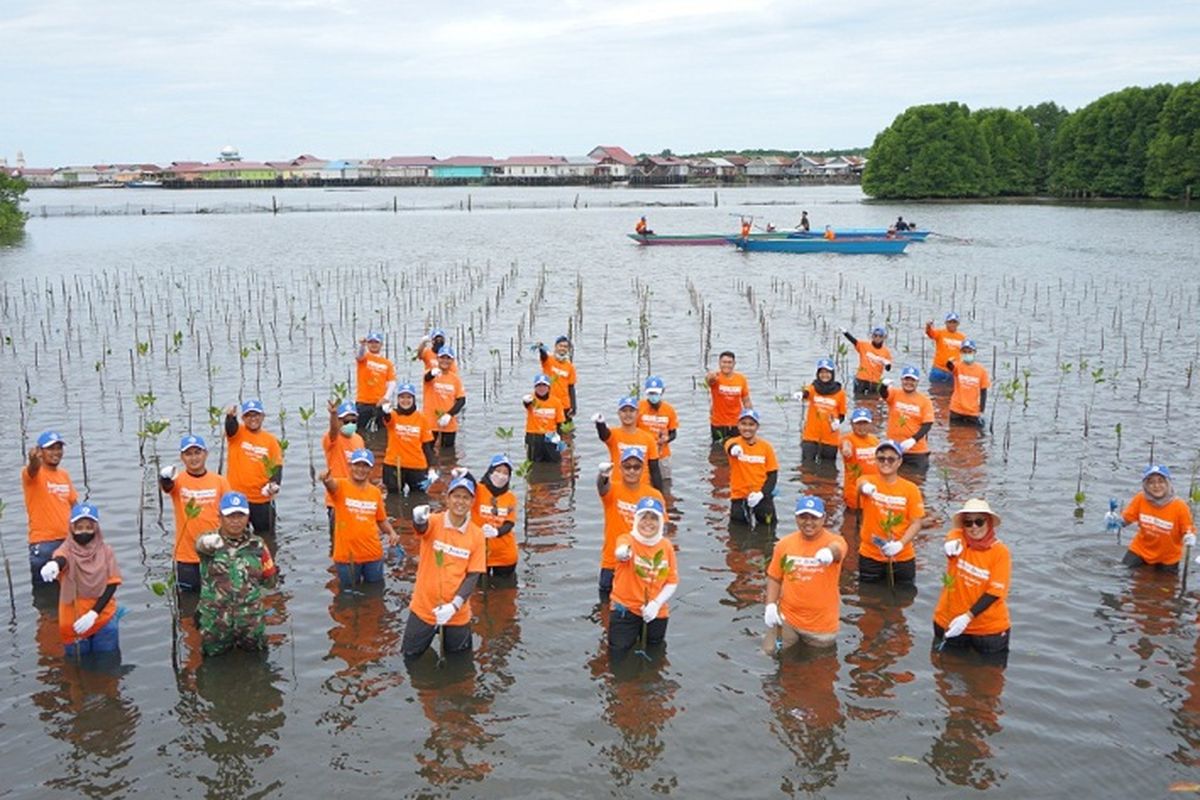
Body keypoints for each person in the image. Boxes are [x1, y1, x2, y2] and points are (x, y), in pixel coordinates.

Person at [402, 476, 486, 661]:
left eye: (466, 497)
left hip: (457, 613)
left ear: (472, 502)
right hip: (424, 607)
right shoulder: (434, 521)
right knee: (410, 657)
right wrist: (417, 519)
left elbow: (473, 575)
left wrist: (454, 605)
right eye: (456, 496)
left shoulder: (477, 535)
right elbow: (422, 528)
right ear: (447, 499)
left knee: (460, 664)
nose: (460, 502)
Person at [194, 491, 278, 656]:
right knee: (212, 667)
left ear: (248, 517)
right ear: (220, 516)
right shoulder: (210, 542)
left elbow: (270, 580)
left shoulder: (258, 545)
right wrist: (207, 543)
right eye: (230, 516)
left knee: (257, 664)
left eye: (240, 515)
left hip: (250, 620)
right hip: (215, 621)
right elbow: (199, 546)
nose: (235, 521)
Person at [762, 496, 847, 654]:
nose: (808, 522)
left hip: (821, 627)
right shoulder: (784, 545)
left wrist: (829, 552)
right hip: (788, 619)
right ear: (796, 518)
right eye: (803, 517)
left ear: (824, 518)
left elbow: (838, 550)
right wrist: (770, 605)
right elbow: (774, 577)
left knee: (815, 669)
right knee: (768, 652)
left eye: (814, 517)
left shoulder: (836, 540)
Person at [39, 503, 121, 656]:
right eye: (79, 527)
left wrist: (93, 614)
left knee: (108, 666)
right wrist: (54, 564)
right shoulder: (66, 550)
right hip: (74, 621)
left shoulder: (106, 552)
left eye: (89, 527)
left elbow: (112, 584)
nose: (84, 532)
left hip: (103, 616)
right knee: (77, 668)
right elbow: (61, 558)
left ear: (96, 528)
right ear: (72, 528)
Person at [934, 498, 1011, 656]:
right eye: (968, 523)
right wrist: (950, 543)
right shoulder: (958, 541)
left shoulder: (1000, 553)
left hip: (988, 630)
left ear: (988, 522)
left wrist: (967, 617)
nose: (974, 527)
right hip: (949, 622)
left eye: (979, 521)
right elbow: (953, 534)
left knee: (988, 676)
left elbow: (995, 592)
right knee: (945, 670)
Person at [320, 449, 400, 590]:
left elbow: (381, 520)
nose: (360, 470)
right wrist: (326, 480)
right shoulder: (341, 486)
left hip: (373, 555)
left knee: (375, 594)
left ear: (370, 469)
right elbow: (331, 486)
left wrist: (392, 532)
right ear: (350, 466)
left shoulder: (375, 492)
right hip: (347, 557)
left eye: (365, 466)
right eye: (357, 465)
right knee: (349, 597)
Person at [159, 434, 231, 592]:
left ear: (205, 454)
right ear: (182, 457)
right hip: (186, 556)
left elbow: (230, 516)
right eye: (188, 454)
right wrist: (164, 476)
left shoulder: (220, 481)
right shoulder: (177, 481)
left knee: (218, 602)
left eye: (197, 452)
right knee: (187, 604)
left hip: (215, 553)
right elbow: (166, 486)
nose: (194, 458)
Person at [610, 497, 678, 659]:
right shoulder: (627, 539)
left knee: (655, 655)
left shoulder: (666, 546)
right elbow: (620, 549)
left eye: (653, 518)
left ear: (661, 521)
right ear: (636, 520)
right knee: (618, 655)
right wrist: (623, 553)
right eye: (644, 517)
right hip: (625, 612)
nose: (648, 522)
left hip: (655, 613)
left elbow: (671, 582)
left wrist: (655, 604)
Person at [597, 448, 665, 600]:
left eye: (637, 467)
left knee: (639, 609)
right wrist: (603, 475)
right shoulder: (612, 490)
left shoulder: (654, 495)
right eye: (627, 467)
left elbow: (661, 531)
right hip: (612, 562)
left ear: (643, 469)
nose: (632, 471)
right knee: (607, 608)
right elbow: (602, 487)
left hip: (641, 564)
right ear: (620, 468)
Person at [856, 440, 925, 584]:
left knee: (902, 599)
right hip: (870, 555)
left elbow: (916, 523)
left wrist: (900, 544)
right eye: (881, 458)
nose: (885, 462)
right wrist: (865, 488)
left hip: (901, 557)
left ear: (899, 462)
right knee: (868, 598)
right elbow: (860, 485)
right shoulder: (868, 480)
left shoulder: (911, 489)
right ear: (876, 460)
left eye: (891, 459)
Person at [1106, 464, 1196, 571]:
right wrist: (1113, 520)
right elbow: (1126, 519)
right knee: (1122, 573)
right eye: (1151, 482)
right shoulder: (1140, 499)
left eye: (1160, 481)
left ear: (1168, 483)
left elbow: (1188, 529)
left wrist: (1189, 536)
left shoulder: (1180, 506)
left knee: (1165, 586)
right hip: (1140, 550)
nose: (1156, 486)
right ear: (1145, 485)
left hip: (1168, 557)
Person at [22, 430, 78, 588]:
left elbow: (74, 505)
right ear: (40, 451)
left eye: (59, 448)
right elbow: (32, 468)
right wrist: (33, 460)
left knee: (69, 597)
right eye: (51, 448)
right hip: (44, 544)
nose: (56, 452)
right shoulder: (33, 474)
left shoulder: (64, 475)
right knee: (46, 598)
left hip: (68, 542)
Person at [223, 398, 283, 535]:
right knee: (236, 538)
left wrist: (273, 485)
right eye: (248, 415)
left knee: (266, 538)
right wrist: (230, 417)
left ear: (262, 417)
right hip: (237, 498)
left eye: (256, 415)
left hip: (261, 499)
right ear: (243, 418)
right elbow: (230, 428)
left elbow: (277, 466)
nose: (253, 419)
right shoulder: (237, 433)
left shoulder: (271, 441)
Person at [592, 397, 663, 490]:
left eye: (631, 411)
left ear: (637, 413)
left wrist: (659, 496)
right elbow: (604, 435)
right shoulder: (614, 434)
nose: (628, 414)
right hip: (618, 487)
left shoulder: (648, 439)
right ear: (619, 414)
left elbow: (655, 470)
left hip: (642, 488)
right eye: (624, 411)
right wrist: (600, 423)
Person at [380, 383, 437, 495]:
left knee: (419, 498)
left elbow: (427, 446)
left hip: (417, 466)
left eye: (408, 397)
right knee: (393, 499)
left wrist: (432, 468)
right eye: (402, 397)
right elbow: (385, 419)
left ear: (414, 399)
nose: (405, 400)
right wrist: (383, 411)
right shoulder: (393, 415)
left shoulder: (422, 418)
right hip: (394, 465)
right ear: (398, 399)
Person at [725, 408, 779, 528]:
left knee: (768, 531)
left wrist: (762, 494)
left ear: (757, 427)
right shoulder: (733, 442)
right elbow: (729, 446)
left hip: (761, 496)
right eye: (743, 424)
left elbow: (772, 475)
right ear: (738, 426)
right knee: (738, 533)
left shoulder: (766, 447)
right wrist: (734, 449)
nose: (747, 428)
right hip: (740, 497)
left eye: (751, 424)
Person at [322, 399, 365, 546]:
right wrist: (333, 415)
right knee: (338, 541)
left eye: (353, 420)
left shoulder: (359, 440)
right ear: (339, 421)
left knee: (356, 539)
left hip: (355, 497)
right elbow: (333, 431)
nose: (350, 424)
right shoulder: (332, 440)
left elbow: (363, 469)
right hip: (336, 499)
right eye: (346, 421)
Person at [471, 455, 519, 579]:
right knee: (478, 591)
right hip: (480, 553)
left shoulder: (510, 497)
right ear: (490, 471)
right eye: (498, 471)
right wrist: (463, 473)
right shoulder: (478, 490)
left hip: (505, 555)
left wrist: (496, 532)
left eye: (505, 473)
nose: (501, 476)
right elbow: (466, 484)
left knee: (504, 592)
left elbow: (509, 523)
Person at [880, 365, 935, 472]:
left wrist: (913, 440)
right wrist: (883, 386)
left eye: (912, 380)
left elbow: (927, 424)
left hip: (917, 451)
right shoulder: (895, 393)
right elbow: (884, 395)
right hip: (895, 449)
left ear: (917, 382)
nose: (909, 383)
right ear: (901, 380)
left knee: (917, 481)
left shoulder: (925, 401)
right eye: (906, 379)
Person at [795, 358, 847, 464]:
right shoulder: (813, 388)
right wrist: (802, 394)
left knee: (828, 470)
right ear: (818, 373)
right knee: (807, 467)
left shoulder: (840, 393)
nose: (824, 375)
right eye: (822, 372)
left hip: (830, 438)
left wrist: (837, 422)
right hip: (811, 436)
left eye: (827, 372)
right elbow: (807, 392)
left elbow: (842, 414)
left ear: (832, 373)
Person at [423, 345, 466, 451]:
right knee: (428, 451)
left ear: (452, 360)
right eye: (442, 357)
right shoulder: (431, 374)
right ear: (437, 358)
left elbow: (461, 400)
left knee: (448, 454)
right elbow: (427, 378)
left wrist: (449, 415)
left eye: (448, 358)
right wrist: (432, 373)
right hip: (431, 422)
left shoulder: (455, 379)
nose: (445, 361)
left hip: (448, 423)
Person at [638, 376, 679, 482]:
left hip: (662, 454)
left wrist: (667, 439)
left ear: (662, 392)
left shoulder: (669, 410)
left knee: (665, 483)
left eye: (656, 393)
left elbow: (673, 433)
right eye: (651, 393)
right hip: (643, 454)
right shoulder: (639, 407)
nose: (653, 396)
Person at [354, 330, 396, 433]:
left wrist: (386, 398)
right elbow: (359, 356)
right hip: (363, 402)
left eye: (376, 342)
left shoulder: (387, 363)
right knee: (360, 430)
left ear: (381, 344)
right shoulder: (364, 358)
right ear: (368, 344)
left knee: (382, 431)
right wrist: (362, 346)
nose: (373, 345)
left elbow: (392, 383)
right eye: (371, 342)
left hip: (379, 403)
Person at [706, 350, 752, 443]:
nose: (726, 365)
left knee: (737, 449)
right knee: (717, 451)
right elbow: (709, 380)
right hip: (718, 423)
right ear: (719, 363)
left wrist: (750, 418)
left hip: (737, 423)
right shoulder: (716, 377)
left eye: (729, 362)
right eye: (724, 362)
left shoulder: (741, 379)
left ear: (734, 363)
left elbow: (746, 400)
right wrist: (710, 376)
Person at [840, 407, 880, 512]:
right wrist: (846, 450)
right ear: (852, 424)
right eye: (858, 423)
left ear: (870, 424)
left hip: (872, 492)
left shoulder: (875, 440)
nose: (862, 427)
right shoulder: (848, 439)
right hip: (855, 495)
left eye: (865, 423)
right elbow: (846, 445)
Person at [946, 339, 990, 427]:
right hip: (956, 409)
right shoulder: (958, 366)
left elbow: (983, 392)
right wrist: (949, 362)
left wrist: (981, 411)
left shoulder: (982, 371)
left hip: (972, 411)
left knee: (974, 437)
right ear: (961, 353)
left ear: (974, 352)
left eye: (969, 351)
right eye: (964, 352)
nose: (967, 354)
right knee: (954, 436)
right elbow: (950, 367)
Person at [524, 373, 567, 463]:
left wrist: (560, 440)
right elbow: (526, 403)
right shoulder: (532, 400)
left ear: (548, 387)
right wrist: (526, 401)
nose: (541, 388)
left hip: (550, 437)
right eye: (538, 385)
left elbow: (560, 423)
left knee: (555, 463)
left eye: (544, 385)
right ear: (535, 387)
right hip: (534, 437)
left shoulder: (556, 402)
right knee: (533, 464)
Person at [840, 325, 892, 396]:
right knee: (858, 400)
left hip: (874, 381)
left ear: (884, 338)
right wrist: (846, 333)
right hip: (861, 379)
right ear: (872, 336)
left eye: (880, 336)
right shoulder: (864, 345)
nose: (877, 338)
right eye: (875, 335)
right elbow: (854, 341)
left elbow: (888, 368)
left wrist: (887, 364)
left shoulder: (886, 352)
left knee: (872, 402)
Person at [538, 335, 578, 420]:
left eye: (565, 347)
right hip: (549, 403)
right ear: (556, 347)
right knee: (547, 431)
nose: (563, 348)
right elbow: (543, 356)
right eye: (560, 346)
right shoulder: (548, 360)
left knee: (566, 432)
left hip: (565, 406)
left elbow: (571, 387)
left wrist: (573, 406)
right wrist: (541, 348)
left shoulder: (570, 367)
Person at [925, 313, 966, 384]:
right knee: (934, 392)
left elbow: (965, 352)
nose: (952, 324)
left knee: (950, 393)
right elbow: (930, 333)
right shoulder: (940, 333)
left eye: (954, 322)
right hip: (938, 370)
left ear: (958, 324)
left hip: (953, 371)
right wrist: (928, 326)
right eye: (950, 322)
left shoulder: (962, 337)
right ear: (946, 323)